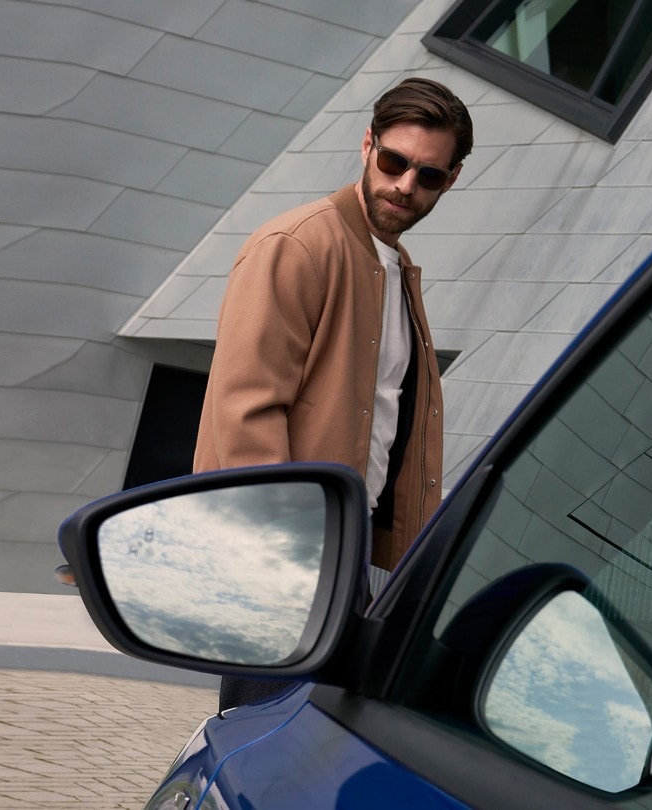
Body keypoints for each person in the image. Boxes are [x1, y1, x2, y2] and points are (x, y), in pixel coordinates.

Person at [195, 77, 473, 710]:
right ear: (367, 145)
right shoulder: (298, 246)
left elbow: (387, 429)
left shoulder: (393, 268)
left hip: (349, 566)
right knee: (264, 748)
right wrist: (291, 559)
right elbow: (246, 412)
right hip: (287, 566)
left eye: (428, 175)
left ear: (451, 180)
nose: (406, 185)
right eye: (395, 162)